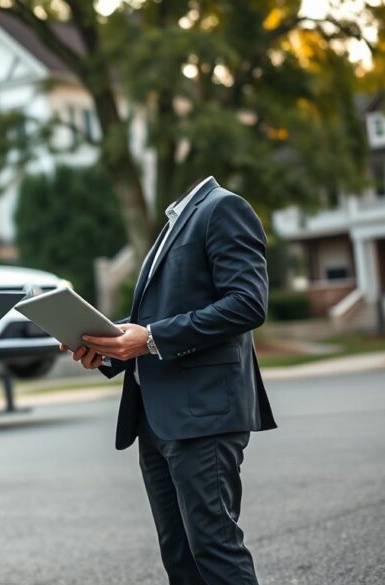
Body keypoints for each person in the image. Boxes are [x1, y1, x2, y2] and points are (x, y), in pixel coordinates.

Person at [71, 177, 277, 584]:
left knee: (215, 549)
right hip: (156, 418)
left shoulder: (223, 208)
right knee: (179, 557)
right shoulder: (174, 220)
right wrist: (109, 347)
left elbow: (248, 303)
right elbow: (162, 315)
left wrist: (149, 339)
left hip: (203, 414)